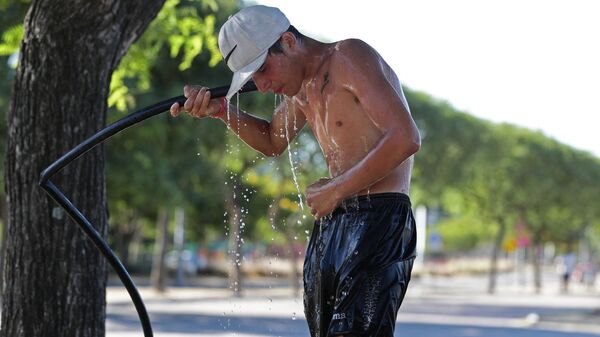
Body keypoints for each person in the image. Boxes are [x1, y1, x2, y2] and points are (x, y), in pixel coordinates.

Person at [170, 5, 421, 337]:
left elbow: (405, 137)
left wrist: (336, 189)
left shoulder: (348, 57)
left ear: (288, 41)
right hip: (333, 220)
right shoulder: (302, 87)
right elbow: (273, 141)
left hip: (378, 218)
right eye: (252, 78)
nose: (260, 86)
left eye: (261, 69)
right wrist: (222, 111)